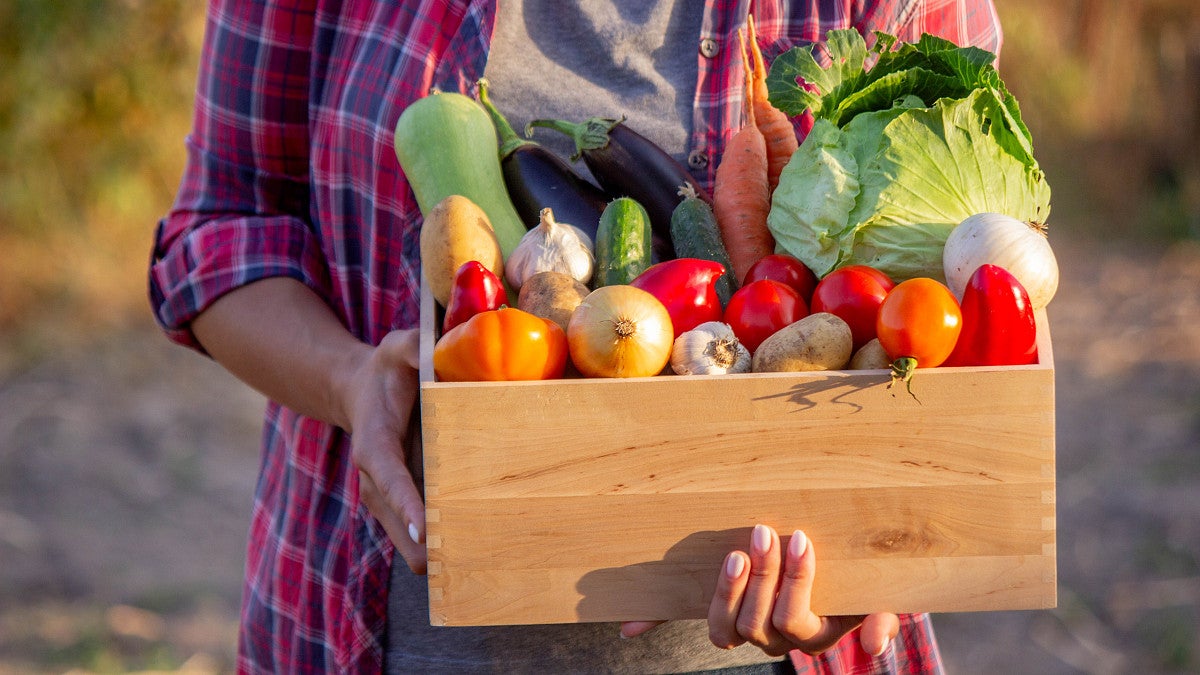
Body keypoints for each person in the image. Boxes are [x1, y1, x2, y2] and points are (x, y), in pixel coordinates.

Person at [149, 1, 1003, 672]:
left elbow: (981, 272)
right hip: (389, 629)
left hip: (750, 655)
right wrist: (346, 380)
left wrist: (869, 560)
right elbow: (221, 231)